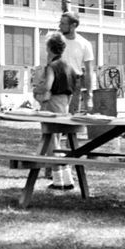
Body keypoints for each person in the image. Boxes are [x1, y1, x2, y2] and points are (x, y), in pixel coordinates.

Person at [36, 31, 77, 190]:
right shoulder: (68, 66)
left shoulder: (52, 66)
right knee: (58, 141)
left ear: (49, 48)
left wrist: (37, 89)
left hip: (53, 103)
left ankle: (58, 179)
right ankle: (67, 178)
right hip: (65, 103)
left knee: (52, 141)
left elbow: (48, 86)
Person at [58, 11, 95, 113]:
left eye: (63, 23)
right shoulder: (56, 41)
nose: (60, 26)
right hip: (57, 80)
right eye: (60, 22)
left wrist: (89, 95)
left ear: (73, 25)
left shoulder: (85, 44)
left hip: (75, 82)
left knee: (72, 117)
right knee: (55, 117)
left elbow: (88, 71)